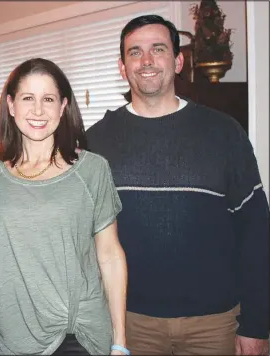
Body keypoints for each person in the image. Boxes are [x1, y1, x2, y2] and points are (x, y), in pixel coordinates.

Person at [86, 14, 269, 355]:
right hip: (129, 322)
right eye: (135, 52)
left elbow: (255, 230)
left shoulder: (224, 132)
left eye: (158, 49)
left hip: (214, 324)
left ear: (178, 60)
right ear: (122, 67)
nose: (147, 61)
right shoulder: (95, 141)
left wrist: (258, 322)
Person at [0, 58, 128, 356]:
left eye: (48, 99)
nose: (38, 110)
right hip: (15, 336)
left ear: (63, 106)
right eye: (28, 98)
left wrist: (120, 342)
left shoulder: (92, 170)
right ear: (11, 106)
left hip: (79, 335)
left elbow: (110, 255)